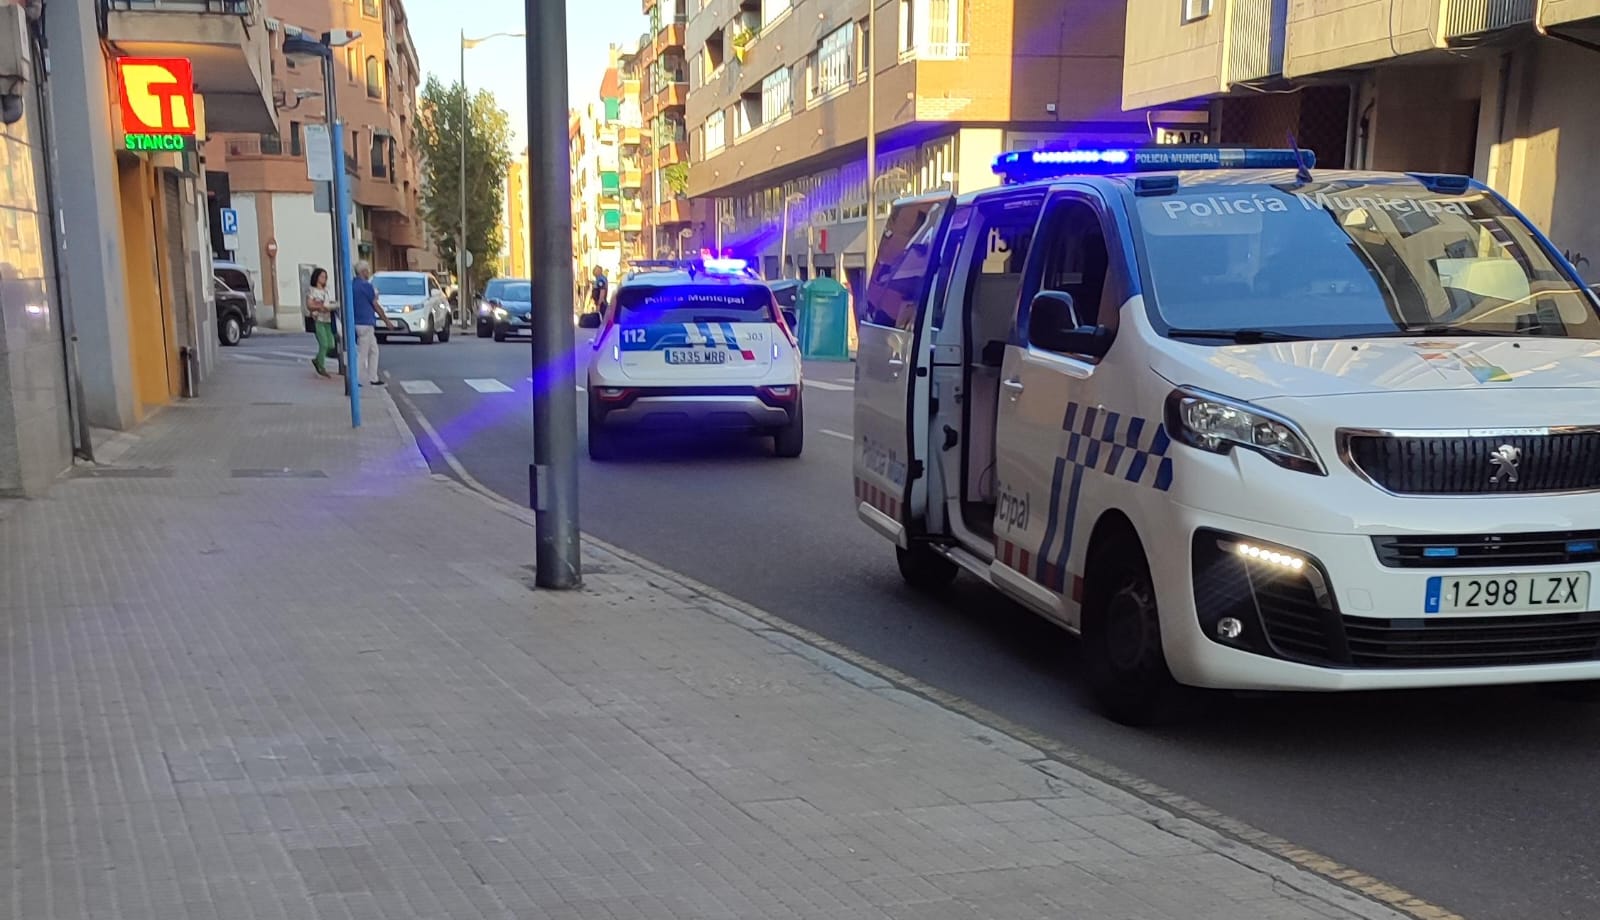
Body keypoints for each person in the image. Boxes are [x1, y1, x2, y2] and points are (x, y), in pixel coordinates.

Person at [351, 260, 394, 387]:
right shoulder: (367, 286)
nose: (369, 272)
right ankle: (357, 378)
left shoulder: (352, 285)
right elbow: (375, 304)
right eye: (367, 270)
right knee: (363, 353)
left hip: (356, 321)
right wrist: (386, 321)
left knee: (374, 350)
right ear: (363, 272)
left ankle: (373, 377)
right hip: (366, 322)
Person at [307, 267, 336, 378]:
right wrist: (320, 306)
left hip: (328, 319)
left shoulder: (327, 290)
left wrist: (332, 306)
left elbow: (331, 301)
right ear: (316, 277)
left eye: (325, 277)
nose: (324, 279)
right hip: (318, 320)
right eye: (322, 277)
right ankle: (321, 367)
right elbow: (309, 305)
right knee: (323, 343)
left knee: (331, 344)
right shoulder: (312, 290)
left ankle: (317, 360)